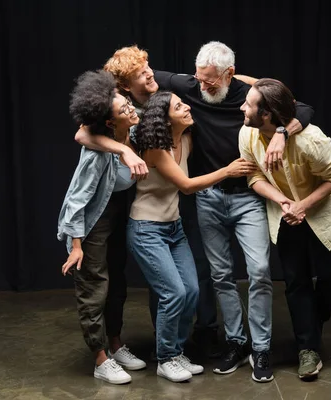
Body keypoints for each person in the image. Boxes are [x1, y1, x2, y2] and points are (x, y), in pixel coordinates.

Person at [153, 41, 314, 383]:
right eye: (199, 79)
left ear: (228, 74)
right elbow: (142, 75)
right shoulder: (192, 86)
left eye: (210, 80)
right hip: (209, 197)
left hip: (249, 198)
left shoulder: (252, 93)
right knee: (220, 275)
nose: (202, 87)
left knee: (258, 271)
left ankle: (261, 349)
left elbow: (304, 109)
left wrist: (282, 133)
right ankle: (237, 343)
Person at [75, 46, 221, 358]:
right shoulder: (119, 104)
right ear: (125, 85)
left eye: (147, 66)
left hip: (149, 198)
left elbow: (224, 82)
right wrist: (124, 150)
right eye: (141, 72)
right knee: (103, 275)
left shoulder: (168, 93)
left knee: (151, 280)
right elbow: (82, 136)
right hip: (111, 200)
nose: (150, 73)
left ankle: (148, 346)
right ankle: (106, 351)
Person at [126, 91, 257, 382]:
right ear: (164, 117)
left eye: (184, 103)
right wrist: (228, 170)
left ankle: (176, 350)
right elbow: (186, 185)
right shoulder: (155, 148)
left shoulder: (185, 139)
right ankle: (165, 358)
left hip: (173, 228)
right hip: (147, 229)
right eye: (178, 106)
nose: (186, 106)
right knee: (173, 293)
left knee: (192, 291)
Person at [238, 78, 331, 381]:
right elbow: (254, 176)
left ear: (268, 115)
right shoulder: (247, 135)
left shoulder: (313, 140)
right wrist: (283, 201)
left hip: (322, 213)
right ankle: (307, 349)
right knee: (297, 281)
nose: (242, 107)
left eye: (248, 104)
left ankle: (312, 323)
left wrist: (304, 206)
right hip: (284, 214)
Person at [57, 70, 147, 385]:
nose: (132, 110)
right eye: (124, 110)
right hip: (92, 221)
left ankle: (116, 344)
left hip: (119, 212)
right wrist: (77, 245)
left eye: (128, 104)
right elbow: (77, 202)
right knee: (95, 287)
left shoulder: (132, 132)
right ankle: (100, 358)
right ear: (110, 122)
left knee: (118, 283)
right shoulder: (96, 155)